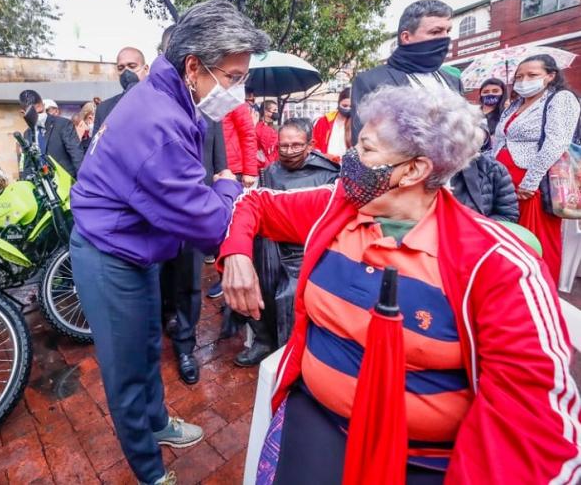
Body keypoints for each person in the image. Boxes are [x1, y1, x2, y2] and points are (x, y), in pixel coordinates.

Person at [220, 85, 580, 484]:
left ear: (414, 170)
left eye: (367, 150)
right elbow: (254, 203)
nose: (349, 159)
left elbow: (535, 422)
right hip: (321, 418)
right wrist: (237, 254)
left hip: (425, 455)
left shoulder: (496, 263)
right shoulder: (337, 207)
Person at [70, 0, 269, 485]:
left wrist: (214, 185)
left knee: (143, 349)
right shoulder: (157, 121)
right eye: (233, 76)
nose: (237, 90)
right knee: (123, 370)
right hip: (109, 255)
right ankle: (149, 469)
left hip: (135, 248)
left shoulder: (171, 94)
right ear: (194, 66)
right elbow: (206, 224)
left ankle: (157, 421)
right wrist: (224, 183)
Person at [238, 118, 339, 367]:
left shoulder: (328, 173)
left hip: (306, 247)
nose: (289, 151)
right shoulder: (271, 171)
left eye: (296, 145)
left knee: (292, 294)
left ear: (310, 145)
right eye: (283, 146)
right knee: (255, 280)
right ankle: (263, 340)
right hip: (273, 245)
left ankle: (292, 352)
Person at [493, 54, 581, 284]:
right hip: (505, 179)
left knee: (535, 240)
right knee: (508, 237)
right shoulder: (515, 103)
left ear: (551, 76)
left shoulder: (560, 99)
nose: (524, 81)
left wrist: (530, 182)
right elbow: (500, 140)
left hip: (533, 182)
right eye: (519, 76)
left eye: (532, 75)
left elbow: (556, 143)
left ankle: (540, 289)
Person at [160, 111, 228, 383]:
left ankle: (185, 347)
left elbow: (221, 168)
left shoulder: (212, 116)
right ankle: (166, 320)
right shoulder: (158, 112)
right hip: (158, 215)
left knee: (190, 282)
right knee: (160, 279)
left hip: (195, 214)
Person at [350, 0, 464, 144]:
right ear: (406, 37)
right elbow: (364, 147)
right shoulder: (371, 81)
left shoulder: (453, 81)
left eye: (448, 31)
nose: (445, 38)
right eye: (436, 32)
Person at [449, 127, 519, 222]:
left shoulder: (493, 169)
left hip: (477, 231)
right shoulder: (429, 170)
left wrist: (474, 225)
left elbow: (508, 216)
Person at [18, 89, 83, 178]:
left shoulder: (63, 125)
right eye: (35, 114)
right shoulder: (27, 134)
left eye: (41, 111)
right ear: (23, 113)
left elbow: (77, 155)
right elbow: (27, 165)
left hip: (66, 183)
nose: (39, 116)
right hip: (43, 186)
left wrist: (82, 183)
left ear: (44, 106)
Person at [91, 46, 149, 137]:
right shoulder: (104, 109)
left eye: (132, 66)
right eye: (121, 68)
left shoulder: (161, 102)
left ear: (146, 69)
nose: (126, 72)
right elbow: (96, 147)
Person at [313, 87, 352, 162]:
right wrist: (324, 156)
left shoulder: (357, 123)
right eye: (344, 105)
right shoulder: (323, 121)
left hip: (349, 169)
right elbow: (314, 145)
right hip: (326, 166)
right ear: (338, 103)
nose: (347, 109)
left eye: (351, 106)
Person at [255, 100, 279, 170]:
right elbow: (269, 150)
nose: (276, 113)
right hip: (268, 166)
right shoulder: (263, 129)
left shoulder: (268, 127)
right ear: (265, 112)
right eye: (274, 110)